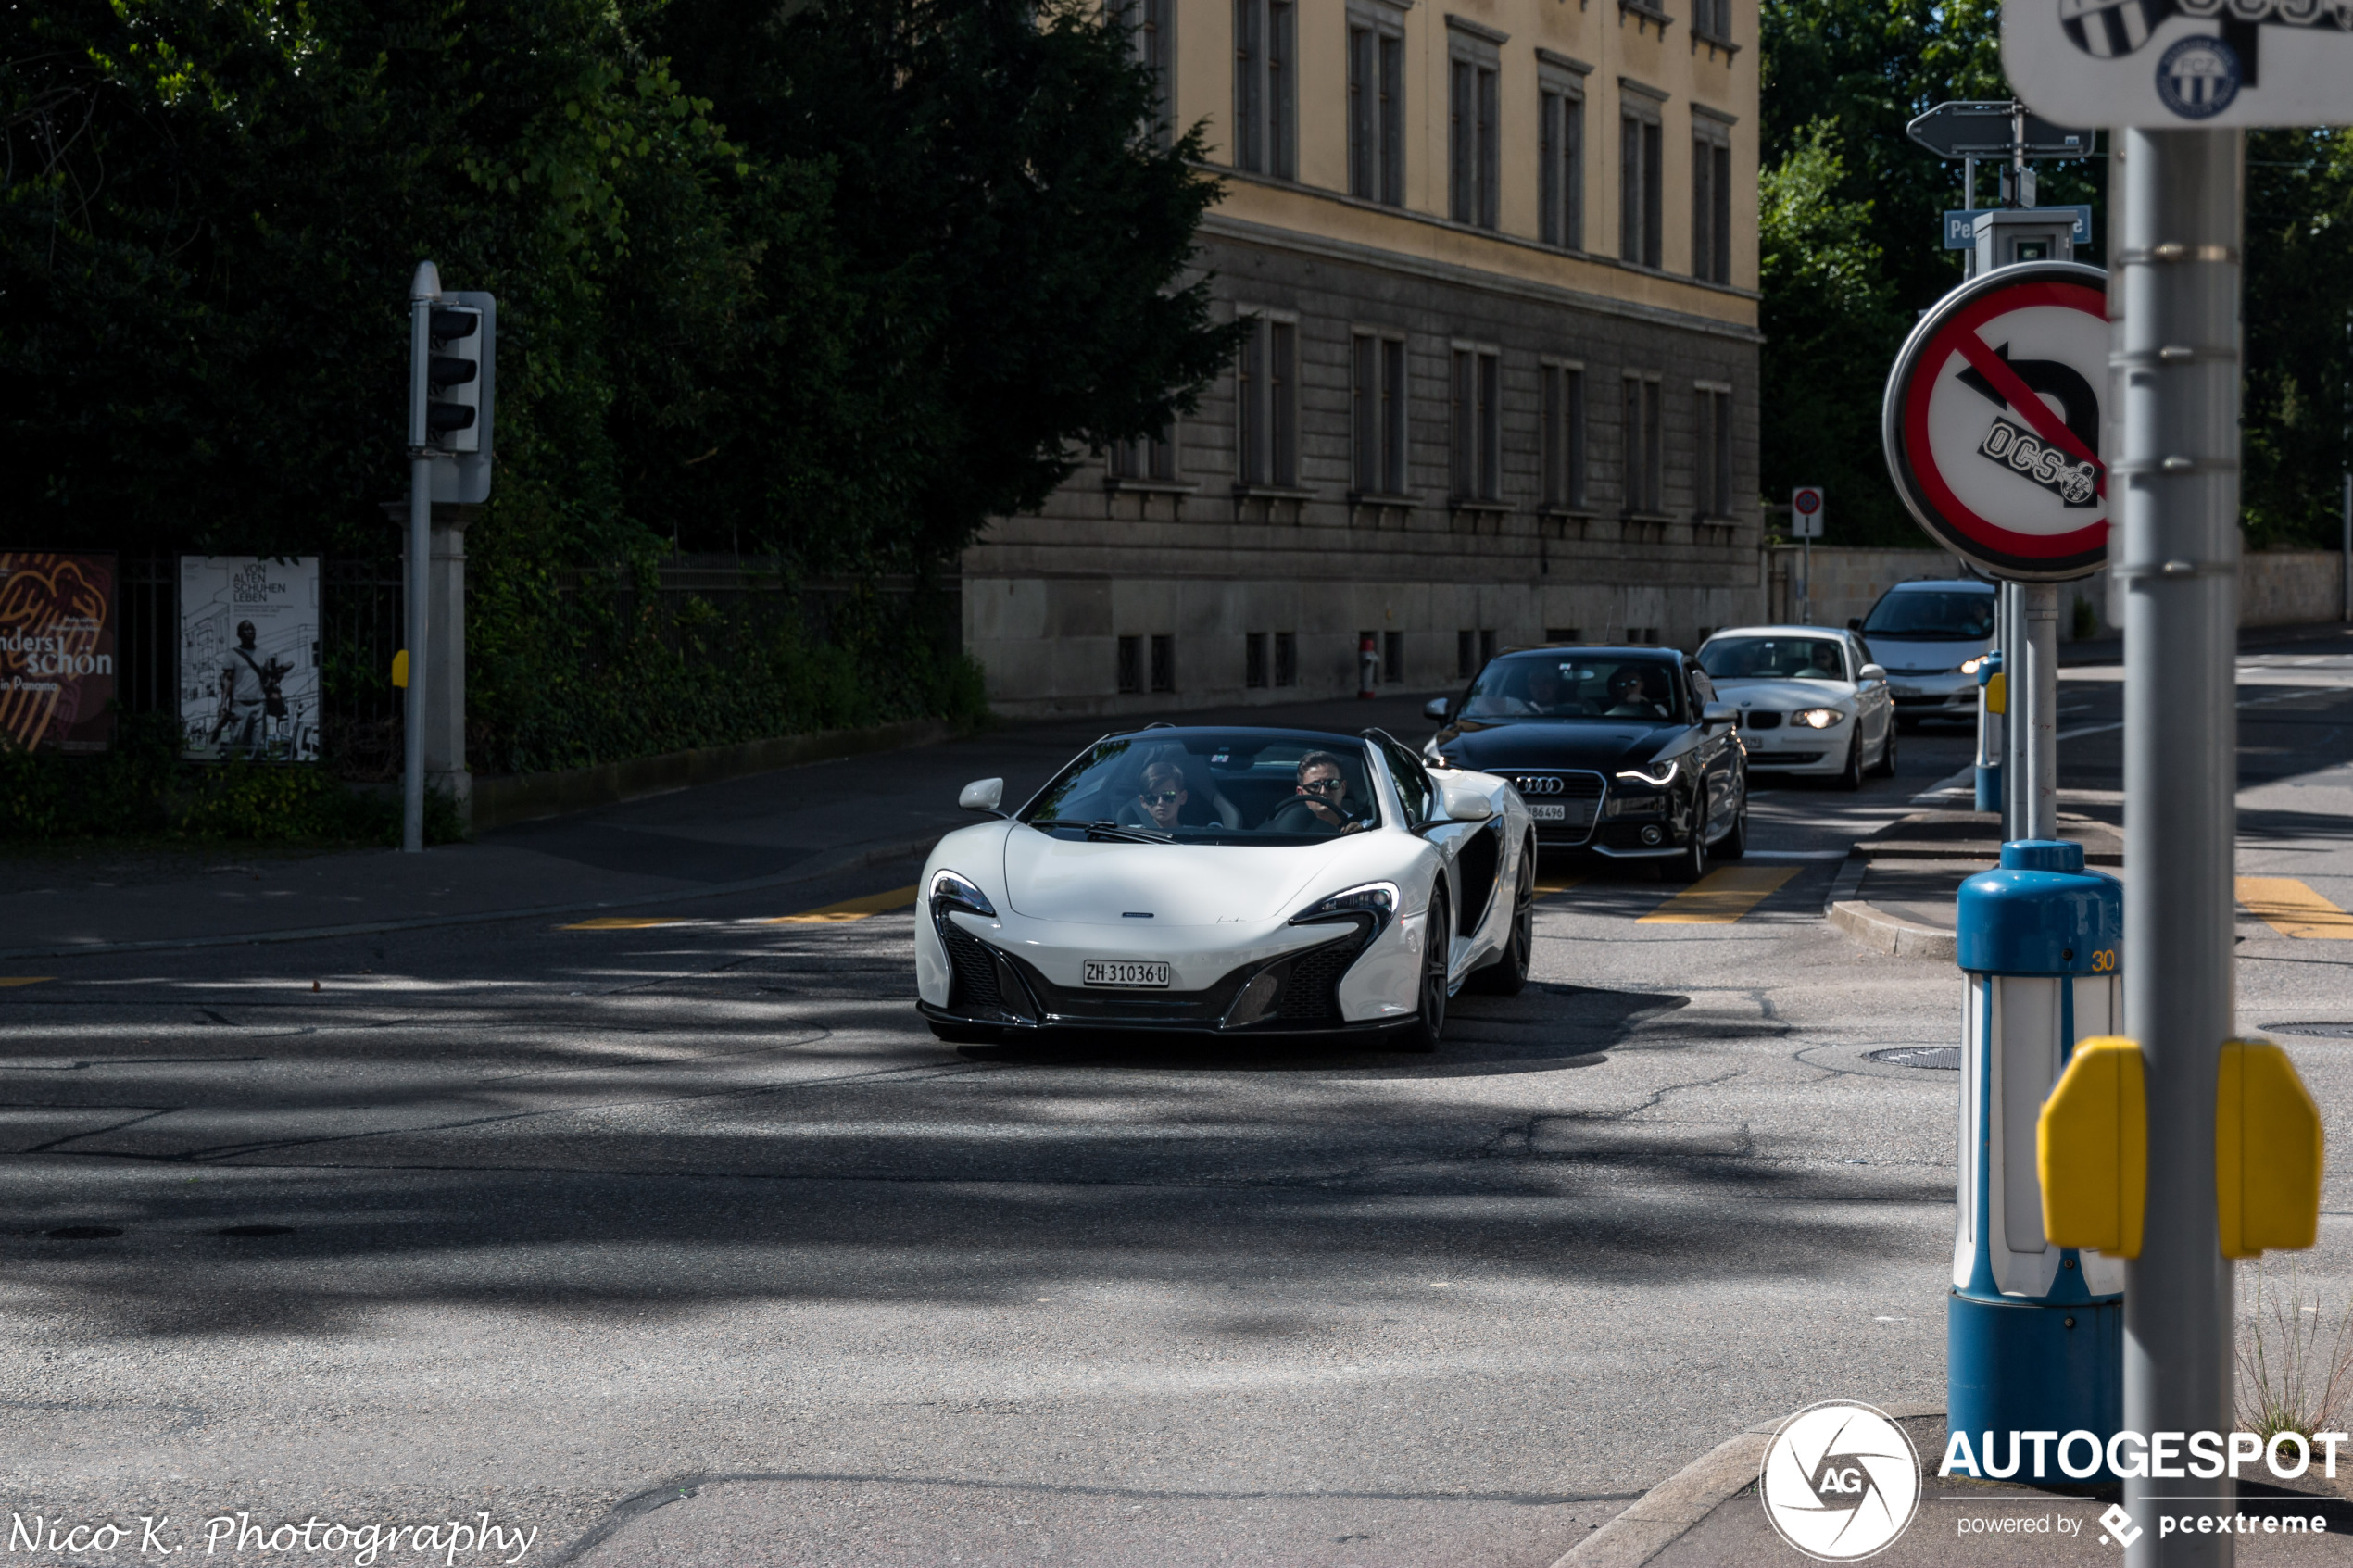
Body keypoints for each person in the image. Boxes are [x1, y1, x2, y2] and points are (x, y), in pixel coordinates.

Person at [1265, 750, 1367, 834]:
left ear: (1343, 788)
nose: (1323, 791)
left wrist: (1361, 836)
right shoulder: (1285, 829)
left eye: (1332, 783)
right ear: (1301, 793)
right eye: (1314, 785)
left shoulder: (1366, 826)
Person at [1129, 759, 1189, 832]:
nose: (1160, 802)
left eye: (1168, 796)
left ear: (1182, 797)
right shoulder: (1128, 834)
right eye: (1152, 797)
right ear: (1143, 801)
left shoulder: (1196, 836)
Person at [1604, 665, 1668, 720]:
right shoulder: (1610, 709)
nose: (1627, 688)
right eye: (1621, 685)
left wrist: (1644, 702)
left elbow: (1664, 723)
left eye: (1632, 683)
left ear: (1642, 684)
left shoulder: (1658, 707)